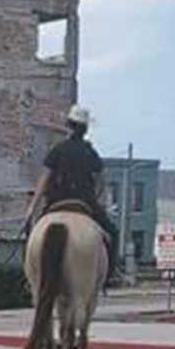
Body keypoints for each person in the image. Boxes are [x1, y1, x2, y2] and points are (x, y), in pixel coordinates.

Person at [24, 104, 119, 280]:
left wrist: (32, 208)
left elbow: (44, 180)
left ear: (69, 125)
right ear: (85, 129)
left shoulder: (58, 150)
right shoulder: (91, 152)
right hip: (85, 203)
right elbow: (101, 182)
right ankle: (110, 276)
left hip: (56, 203)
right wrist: (97, 199)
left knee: (33, 232)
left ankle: (31, 276)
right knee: (113, 232)